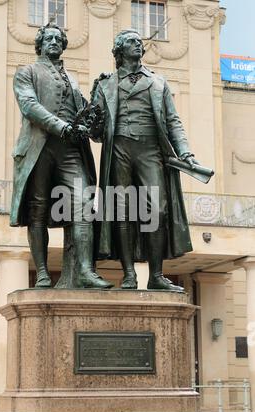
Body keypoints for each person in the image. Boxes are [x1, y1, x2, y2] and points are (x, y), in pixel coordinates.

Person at [91, 29, 198, 292]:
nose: (138, 44)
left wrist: (184, 151)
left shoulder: (159, 82)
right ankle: (128, 274)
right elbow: (95, 134)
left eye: (139, 42)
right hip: (119, 149)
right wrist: (94, 108)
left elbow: (173, 121)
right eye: (131, 41)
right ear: (118, 50)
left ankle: (156, 275)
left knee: (158, 210)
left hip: (151, 150)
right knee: (122, 210)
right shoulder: (105, 84)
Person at [10, 21, 112, 289]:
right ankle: (42, 271)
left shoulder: (73, 78)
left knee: (83, 204)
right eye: (49, 39)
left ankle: (84, 271)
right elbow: (29, 106)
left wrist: (98, 99)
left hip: (70, 151)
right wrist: (61, 127)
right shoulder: (26, 72)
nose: (54, 42)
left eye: (59, 39)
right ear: (40, 44)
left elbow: (85, 114)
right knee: (38, 210)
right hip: (38, 148)